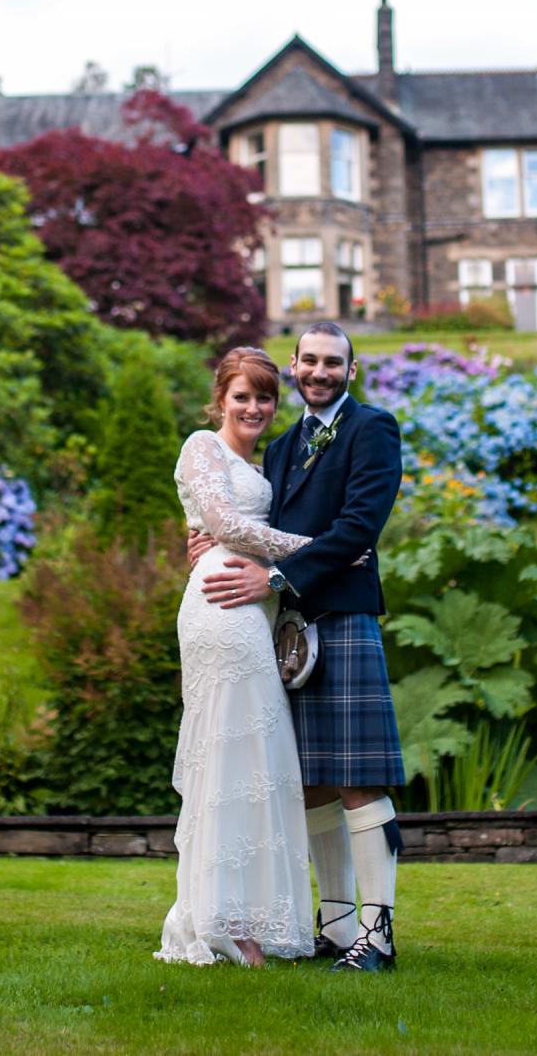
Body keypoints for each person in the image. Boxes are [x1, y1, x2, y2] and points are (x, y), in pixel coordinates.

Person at [198, 322, 407, 973]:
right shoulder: (283, 445)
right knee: (312, 782)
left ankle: (379, 935)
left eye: (332, 362)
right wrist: (208, 539)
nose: (319, 371)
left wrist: (280, 574)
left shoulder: (373, 428)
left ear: (352, 367)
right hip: (291, 633)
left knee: (358, 780)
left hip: (342, 618)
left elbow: (358, 527)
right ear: (293, 365)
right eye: (309, 360)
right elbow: (260, 527)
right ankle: (338, 927)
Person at [155, 346, 318, 966]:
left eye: (265, 397)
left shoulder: (271, 461)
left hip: (257, 606)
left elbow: (232, 527)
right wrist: (322, 549)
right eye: (242, 396)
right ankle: (222, 924)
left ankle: (250, 916)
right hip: (220, 608)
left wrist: (284, 556)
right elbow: (227, 523)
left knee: (258, 758)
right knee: (229, 754)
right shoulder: (202, 446)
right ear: (219, 400)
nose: (254, 407)